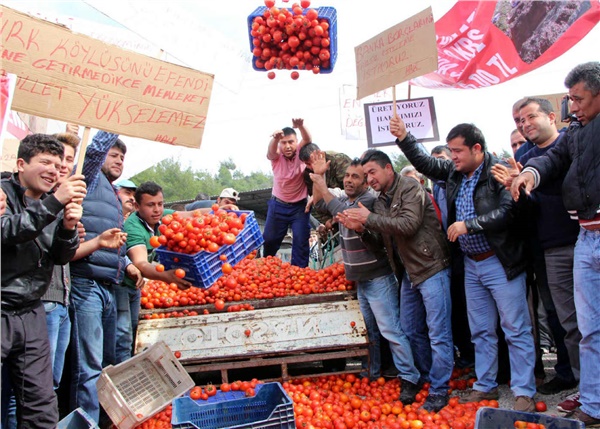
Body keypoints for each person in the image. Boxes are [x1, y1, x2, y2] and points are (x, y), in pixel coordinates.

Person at [394, 118, 537, 412]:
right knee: (481, 330)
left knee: (515, 328)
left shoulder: (498, 171)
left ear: (476, 148)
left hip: (500, 262)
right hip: (472, 264)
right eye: (450, 151)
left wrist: (468, 226)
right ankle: (485, 385)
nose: (452, 157)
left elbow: (506, 213)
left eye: (457, 151)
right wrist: (405, 137)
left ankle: (524, 389)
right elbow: (425, 163)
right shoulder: (455, 173)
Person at [511, 62, 600, 425]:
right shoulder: (575, 133)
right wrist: (530, 173)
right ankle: (593, 402)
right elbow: (552, 159)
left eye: (578, 99)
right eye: (569, 100)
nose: (573, 107)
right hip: (586, 237)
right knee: (588, 327)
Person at [342, 150, 453, 412]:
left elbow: (408, 225)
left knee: (438, 333)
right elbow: (382, 241)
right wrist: (364, 230)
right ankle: (426, 377)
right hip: (408, 273)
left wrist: (368, 219)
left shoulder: (410, 187)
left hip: (430, 266)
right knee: (411, 329)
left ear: (388, 169)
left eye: (372, 172)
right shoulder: (381, 200)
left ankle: (439, 389)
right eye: (366, 174)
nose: (369, 179)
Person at [311, 160, 421, 403]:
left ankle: (409, 377)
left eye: (356, 177)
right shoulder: (348, 201)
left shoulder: (368, 201)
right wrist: (318, 180)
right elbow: (321, 204)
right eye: (347, 176)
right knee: (370, 330)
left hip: (378, 277)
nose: (349, 180)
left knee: (391, 329)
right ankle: (372, 372)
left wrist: (320, 180)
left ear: (364, 182)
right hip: (361, 280)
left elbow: (339, 208)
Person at [494, 97, 580, 396]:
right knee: (560, 315)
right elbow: (527, 210)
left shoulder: (573, 143)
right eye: (519, 120)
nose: (525, 124)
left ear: (552, 117)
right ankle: (571, 374)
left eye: (530, 117)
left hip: (582, 237)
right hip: (545, 246)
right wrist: (517, 190)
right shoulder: (525, 158)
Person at [1, 134, 85, 427]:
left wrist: (68, 228)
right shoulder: (2, 194)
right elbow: (9, 231)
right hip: (1, 307)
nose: (54, 169)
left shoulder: (54, 204)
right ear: (21, 164)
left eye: (59, 163)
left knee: (40, 400)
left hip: (31, 310)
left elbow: (61, 256)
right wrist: (54, 204)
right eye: (45, 162)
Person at [68, 131, 143, 422]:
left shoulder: (112, 195)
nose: (119, 161)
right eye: (114, 155)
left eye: (123, 157)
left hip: (107, 285)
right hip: (85, 281)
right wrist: (112, 120)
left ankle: (102, 419)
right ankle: (85, 421)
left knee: (106, 361)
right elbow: (94, 149)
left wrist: (126, 264)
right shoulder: (86, 178)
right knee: (88, 364)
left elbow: (111, 240)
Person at [263, 118, 312, 267]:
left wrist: (301, 126)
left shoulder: (301, 153)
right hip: (278, 205)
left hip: (300, 207)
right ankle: (266, 268)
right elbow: (270, 152)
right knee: (269, 239)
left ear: (296, 143)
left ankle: (299, 273)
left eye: (291, 142)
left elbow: (308, 139)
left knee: (300, 239)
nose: (288, 146)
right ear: (280, 145)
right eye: (283, 143)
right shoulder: (276, 157)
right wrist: (274, 139)